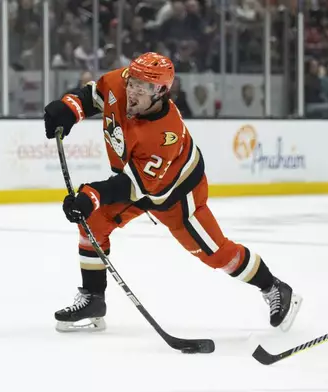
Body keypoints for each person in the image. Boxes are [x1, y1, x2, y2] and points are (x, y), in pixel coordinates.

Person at [42, 52, 302, 333]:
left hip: (177, 195)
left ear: (162, 92)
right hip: (140, 183)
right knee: (92, 222)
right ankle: (93, 299)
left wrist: (91, 195)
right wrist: (69, 108)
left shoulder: (166, 133)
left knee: (216, 254)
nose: (132, 91)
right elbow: (94, 95)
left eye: (143, 88)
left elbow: (135, 186)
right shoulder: (121, 83)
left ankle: (274, 287)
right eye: (132, 83)